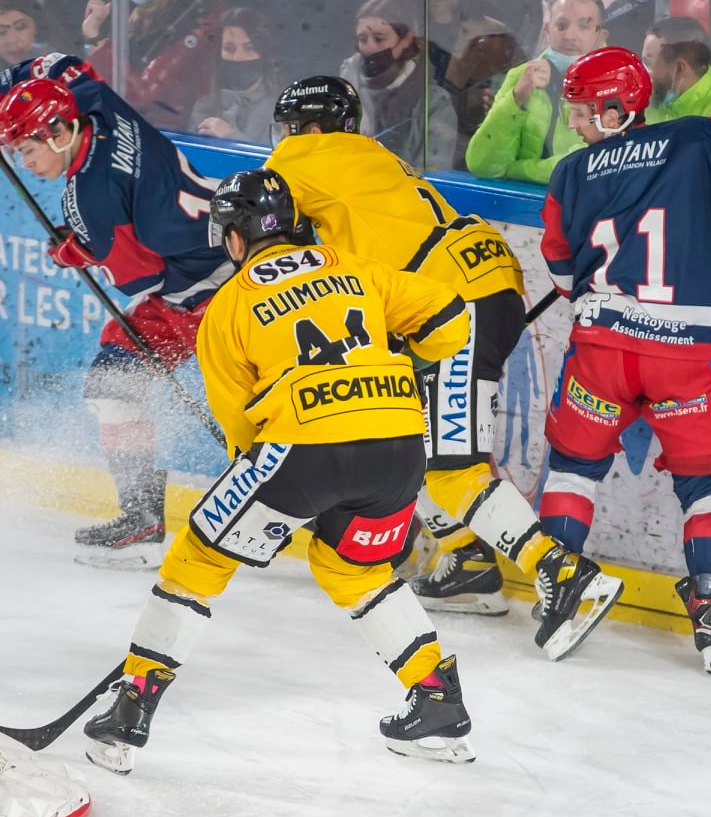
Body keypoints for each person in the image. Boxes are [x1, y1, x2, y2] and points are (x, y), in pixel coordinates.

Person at [80, 168, 477, 774]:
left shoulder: (229, 304)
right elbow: (451, 317)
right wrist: (398, 369)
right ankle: (437, 701)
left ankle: (131, 708)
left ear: (235, 239)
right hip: (398, 443)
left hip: (303, 445)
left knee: (202, 558)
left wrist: (279, 481)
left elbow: (242, 428)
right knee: (354, 567)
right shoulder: (353, 267)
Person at [267, 77, 624, 658]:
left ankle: (564, 574)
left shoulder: (301, 158)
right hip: (464, 287)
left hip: (451, 300)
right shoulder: (368, 153)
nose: (281, 140)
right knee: (407, 438)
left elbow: (256, 229)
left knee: (452, 462)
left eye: (288, 128)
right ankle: (467, 561)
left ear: (307, 129)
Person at [539, 46, 711, 673]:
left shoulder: (570, 175)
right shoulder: (697, 142)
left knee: (574, 469)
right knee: (708, 484)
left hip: (599, 350)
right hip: (683, 353)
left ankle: (559, 589)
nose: (574, 124)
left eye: (581, 112)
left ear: (613, 109)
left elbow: (559, 274)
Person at [0, 53, 233, 566]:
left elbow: (143, 277)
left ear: (60, 132)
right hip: (229, 264)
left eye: (28, 148)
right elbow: (61, 62)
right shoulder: (99, 106)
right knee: (115, 384)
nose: (25, 162)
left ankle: (338, 511)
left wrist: (82, 250)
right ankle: (143, 515)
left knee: (267, 410)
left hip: (214, 298)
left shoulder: (87, 198)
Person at [80, 0, 223, 131]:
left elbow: (143, 97)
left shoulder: (195, 21)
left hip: (173, 137)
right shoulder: (135, 8)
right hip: (134, 130)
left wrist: (96, 41)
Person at [409, 0, 521, 168]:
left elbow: (517, 96)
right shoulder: (401, 29)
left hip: (469, 157)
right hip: (410, 152)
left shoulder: (495, 35)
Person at [466, 0, 606, 183]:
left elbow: (585, 167)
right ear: (548, 30)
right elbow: (483, 165)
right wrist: (517, 99)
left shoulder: (619, 86)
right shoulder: (520, 77)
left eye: (584, 26)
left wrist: (516, 170)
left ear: (600, 36)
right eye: (562, 25)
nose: (570, 36)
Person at [339, 0, 457, 172]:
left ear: (406, 40)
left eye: (379, 38)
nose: (370, 47)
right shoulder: (343, 88)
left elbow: (437, 172)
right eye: (363, 39)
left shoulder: (435, 102)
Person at [189, 6, 282, 145]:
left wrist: (230, 136)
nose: (238, 57)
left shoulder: (281, 112)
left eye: (249, 48)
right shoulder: (203, 106)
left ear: (263, 53)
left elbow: (279, 164)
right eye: (229, 48)